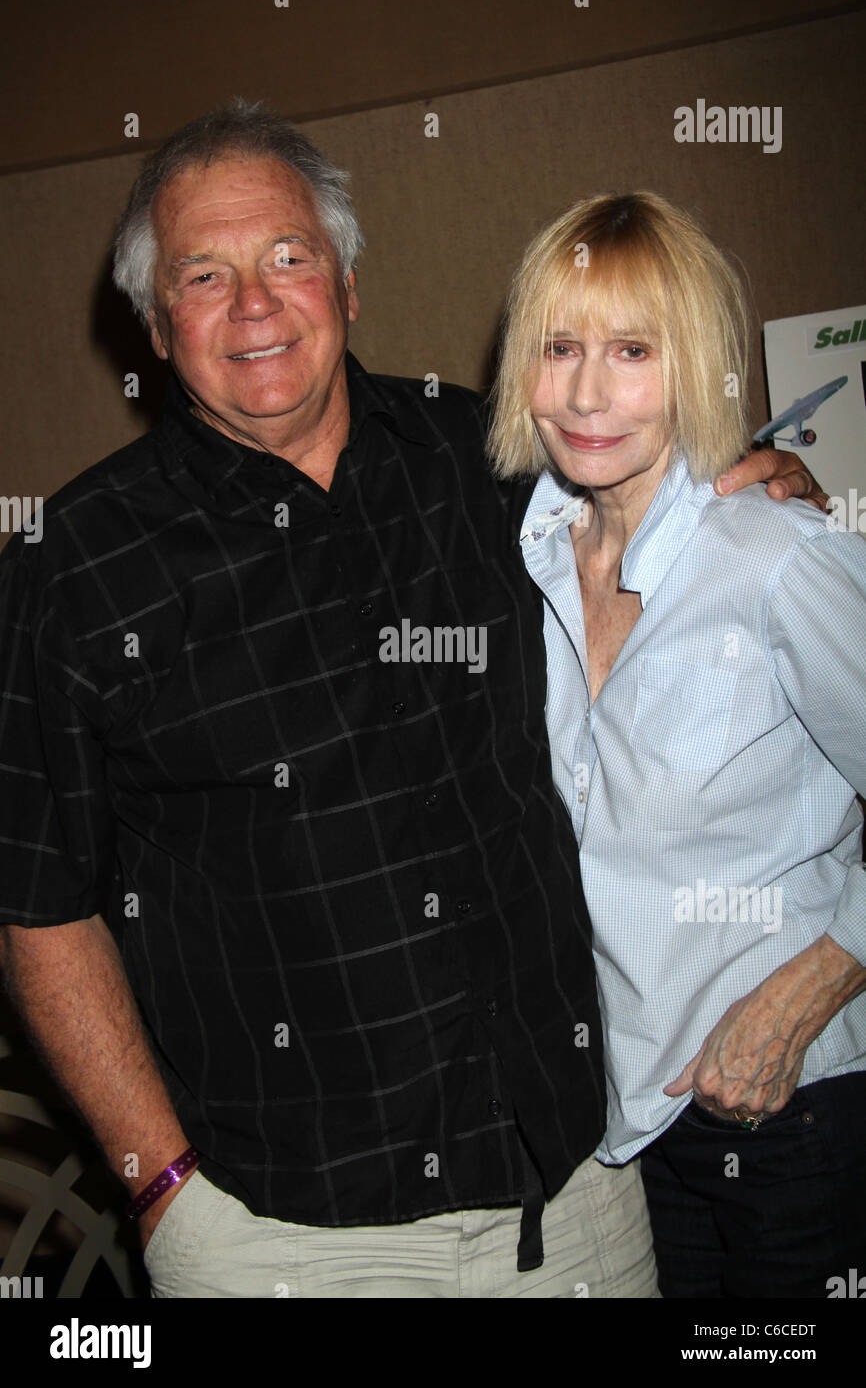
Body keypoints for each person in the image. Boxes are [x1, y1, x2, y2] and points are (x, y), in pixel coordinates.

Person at [0, 105, 818, 1299]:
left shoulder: (497, 464)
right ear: (154, 319)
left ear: (346, 279)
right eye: (202, 274)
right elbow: (38, 907)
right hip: (288, 1242)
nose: (255, 304)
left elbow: (690, 555)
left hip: (578, 1199)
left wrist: (760, 482)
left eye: (288, 257)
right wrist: (163, 1185)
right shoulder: (69, 569)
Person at [490, 189, 866, 1298]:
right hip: (637, 1121)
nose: (587, 391)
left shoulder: (770, 555)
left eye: (631, 349)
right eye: (559, 347)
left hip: (797, 1106)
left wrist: (804, 993)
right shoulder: (525, 561)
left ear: (693, 362)